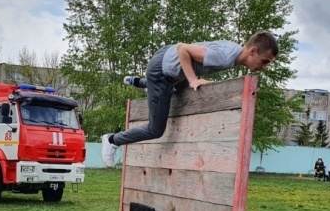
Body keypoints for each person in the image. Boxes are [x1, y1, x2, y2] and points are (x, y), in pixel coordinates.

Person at [100, 32, 279, 168]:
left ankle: (141, 83)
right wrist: (193, 79)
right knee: (156, 129)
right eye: (264, 61)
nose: (263, 67)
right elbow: (182, 49)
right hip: (162, 70)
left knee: (188, 96)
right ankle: (112, 140)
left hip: (169, 64)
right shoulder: (224, 56)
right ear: (253, 51)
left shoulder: (233, 50)